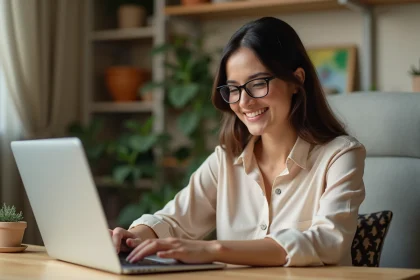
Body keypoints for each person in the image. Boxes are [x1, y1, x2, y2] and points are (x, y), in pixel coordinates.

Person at [110, 16, 366, 267]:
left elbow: (328, 241)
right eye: (233, 89)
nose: (244, 102)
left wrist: (214, 249)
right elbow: (173, 221)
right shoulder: (225, 160)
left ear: (297, 80)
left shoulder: (340, 156)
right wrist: (134, 237)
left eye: (257, 83)